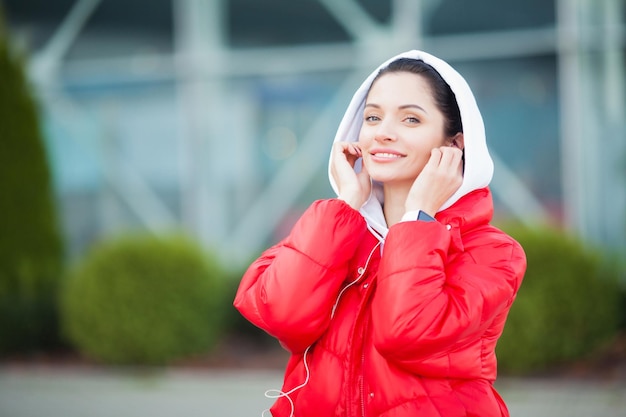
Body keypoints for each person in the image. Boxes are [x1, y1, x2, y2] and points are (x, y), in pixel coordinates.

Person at [234, 49, 526, 417]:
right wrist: (345, 204)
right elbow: (281, 315)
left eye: (410, 119)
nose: (383, 133)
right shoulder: (338, 230)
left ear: (453, 144)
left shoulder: (495, 253)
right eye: (372, 117)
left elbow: (407, 335)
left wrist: (418, 218)